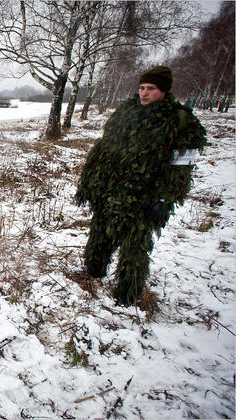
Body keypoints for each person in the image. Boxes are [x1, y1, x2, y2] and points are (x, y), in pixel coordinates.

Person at [76, 66, 207, 306]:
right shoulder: (126, 112)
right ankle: (92, 274)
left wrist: (164, 200)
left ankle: (127, 296)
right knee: (99, 237)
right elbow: (104, 149)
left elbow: (181, 168)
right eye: (142, 88)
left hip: (145, 197)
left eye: (151, 88)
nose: (144, 93)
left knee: (134, 249)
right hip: (112, 190)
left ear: (164, 91)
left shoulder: (179, 121)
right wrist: (91, 183)